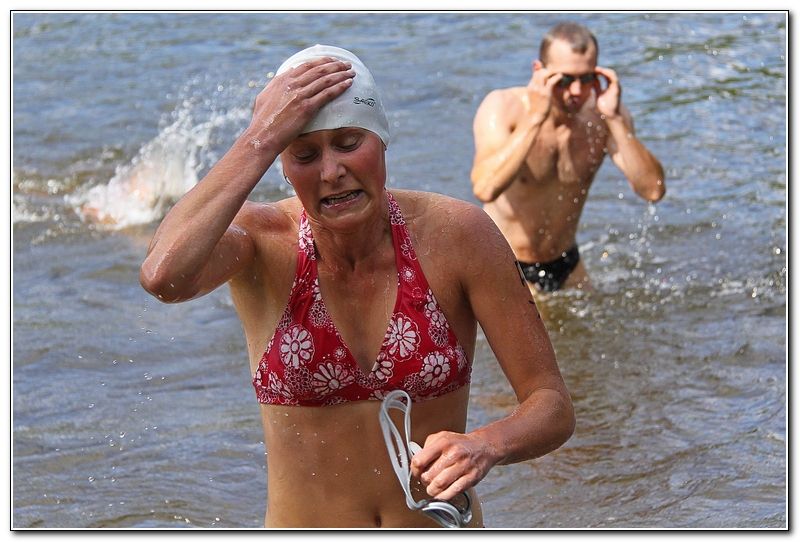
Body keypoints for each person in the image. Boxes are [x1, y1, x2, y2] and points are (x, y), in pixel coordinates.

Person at [140, 44, 574, 528]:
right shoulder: (260, 242)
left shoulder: (458, 235)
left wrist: (486, 445)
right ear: (282, 165)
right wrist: (258, 139)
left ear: (382, 140)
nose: (331, 171)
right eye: (305, 154)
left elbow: (551, 405)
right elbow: (163, 276)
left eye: (349, 143)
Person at [470, 22, 665, 294]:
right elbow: (484, 188)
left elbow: (653, 190)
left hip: (567, 262)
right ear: (539, 71)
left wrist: (615, 120)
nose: (576, 91)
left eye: (586, 79)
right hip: (507, 262)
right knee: (538, 322)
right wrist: (535, 118)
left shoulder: (604, 116)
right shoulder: (503, 107)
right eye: (564, 80)